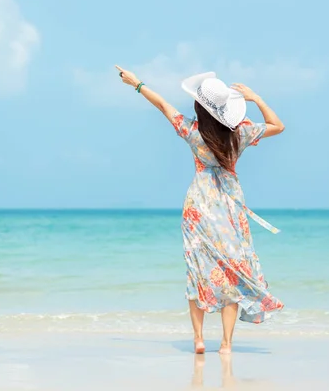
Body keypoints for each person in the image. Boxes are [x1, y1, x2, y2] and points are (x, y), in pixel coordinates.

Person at [115, 65, 285, 354]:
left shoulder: (192, 130)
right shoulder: (240, 133)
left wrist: (137, 83)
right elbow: (278, 126)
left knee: (197, 271)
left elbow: (162, 105)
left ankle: (198, 339)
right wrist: (256, 98)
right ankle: (227, 344)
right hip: (229, 207)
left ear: (199, 105)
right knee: (230, 272)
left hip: (198, 206)